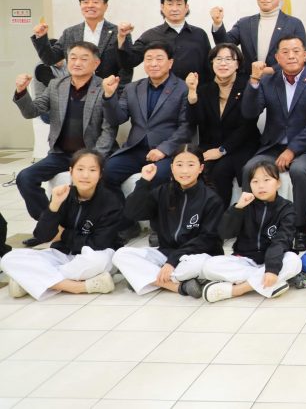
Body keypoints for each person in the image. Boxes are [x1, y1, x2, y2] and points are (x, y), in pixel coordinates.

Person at [13, 41, 116, 230]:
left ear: (96, 63)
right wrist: (21, 92)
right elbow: (32, 111)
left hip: (91, 153)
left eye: (84, 59)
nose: (77, 63)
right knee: (25, 177)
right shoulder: (56, 85)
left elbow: (109, 129)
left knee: (107, 179)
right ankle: (50, 226)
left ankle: (98, 228)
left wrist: (95, 157)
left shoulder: (104, 87)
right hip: (60, 154)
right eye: (73, 58)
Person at [241, 35, 306, 253]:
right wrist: (254, 81)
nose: (291, 56)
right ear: (277, 57)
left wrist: (292, 150)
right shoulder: (268, 80)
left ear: (305, 55)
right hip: (273, 146)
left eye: (296, 51)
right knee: (250, 168)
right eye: (285, 52)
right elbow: (250, 113)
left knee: (300, 170)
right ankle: (251, 228)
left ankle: (299, 229)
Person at [0, 150, 120, 300]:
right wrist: (54, 206)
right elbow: (42, 236)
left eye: (92, 170)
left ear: (100, 174)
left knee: (98, 261)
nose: (85, 175)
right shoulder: (62, 195)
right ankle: (78, 287)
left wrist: (62, 234)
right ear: (71, 171)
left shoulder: (111, 201)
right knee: (9, 258)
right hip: (62, 254)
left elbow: (99, 243)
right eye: (80, 169)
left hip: (92, 256)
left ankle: (30, 280)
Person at [112, 145, 224, 297]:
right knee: (121, 255)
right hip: (166, 253)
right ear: (172, 168)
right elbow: (132, 212)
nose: (184, 171)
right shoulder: (162, 192)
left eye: (191, 165)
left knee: (200, 265)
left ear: (201, 168)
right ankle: (179, 286)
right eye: (179, 165)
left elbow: (207, 239)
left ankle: (145, 278)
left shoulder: (212, 199)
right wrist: (144, 182)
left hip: (196, 255)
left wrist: (173, 261)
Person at [101, 42, 192, 202]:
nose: (153, 63)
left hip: (166, 153)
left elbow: (186, 126)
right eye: (148, 59)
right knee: (108, 171)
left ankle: (149, 215)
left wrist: (163, 149)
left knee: (157, 176)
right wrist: (109, 96)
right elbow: (117, 119)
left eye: (159, 59)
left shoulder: (183, 89)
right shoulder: (132, 88)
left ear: (170, 63)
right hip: (135, 149)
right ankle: (121, 215)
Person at [201, 161, 302, 302]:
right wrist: (237, 209)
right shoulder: (244, 205)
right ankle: (270, 283)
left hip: (274, 259)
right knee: (209, 266)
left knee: (294, 261)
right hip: (245, 260)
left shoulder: (286, 208)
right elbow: (225, 233)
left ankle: (237, 290)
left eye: (266, 180)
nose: (261, 186)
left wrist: (272, 269)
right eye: (255, 181)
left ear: (278, 183)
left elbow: (281, 241)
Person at [185, 43, 260, 208]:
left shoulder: (248, 86)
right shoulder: (205, 88)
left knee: (221, 171)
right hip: (211, 144)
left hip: (241, 145)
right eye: (218, 59)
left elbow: (247, 125)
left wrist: (221, 150)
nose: (223, 63)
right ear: (212, 62)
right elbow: (195, 121)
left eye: (229, 59)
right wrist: (192, 93)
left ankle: (221, 217)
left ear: (238, 64)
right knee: (197, 168)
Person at [30, 0, 132, 83]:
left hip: (108, 90)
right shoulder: (70, 33)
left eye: (95, 2)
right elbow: (50, 59)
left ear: (105, 6)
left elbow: (126, 65)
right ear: (80, 5)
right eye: (85, 2)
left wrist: (120, 90)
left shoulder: (119, 32)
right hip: (77, 89)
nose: (90, 6)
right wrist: (41, 36)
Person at [210, 0, 306, 77]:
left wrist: (272, 70)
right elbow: (224, 46)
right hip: (249, 81)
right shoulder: (244, 23)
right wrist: (218, 24)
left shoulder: (294, 24)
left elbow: (301, 57)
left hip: (281, 80)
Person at [117, 0, 213, 84]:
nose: (174, 9)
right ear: (162, 7)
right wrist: (122, 37)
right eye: (170, 4)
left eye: (179, 4)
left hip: (196, 90)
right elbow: (129, 62)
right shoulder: (150, 35)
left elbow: (209, 65)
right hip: (161, 91)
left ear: (186, 7)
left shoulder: (200, 34)